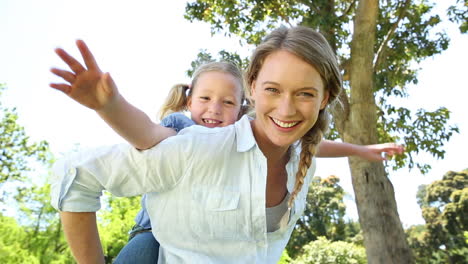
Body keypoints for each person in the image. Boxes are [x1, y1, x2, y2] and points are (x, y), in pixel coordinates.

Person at [50, 26, 403, 263]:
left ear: (325, 98)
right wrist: (109, 106)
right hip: (148, 235)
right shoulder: (194, 145)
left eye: (305, 94)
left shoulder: (302, 157)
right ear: (253, 86)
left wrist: (362, 150)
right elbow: (77, 175)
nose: (286, 108)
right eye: (272, 89)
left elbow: (316, 144)